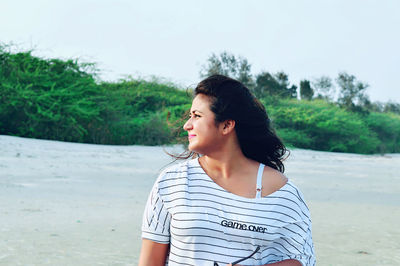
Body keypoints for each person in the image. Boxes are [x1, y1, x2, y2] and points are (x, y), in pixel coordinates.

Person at [139, 75, 315, 266]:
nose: (187, 125)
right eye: (190, 116)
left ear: (226, 125)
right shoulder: (172, 182)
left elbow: (303, 261)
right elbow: (150, 262)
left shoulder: (284, 194)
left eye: (197, 116)